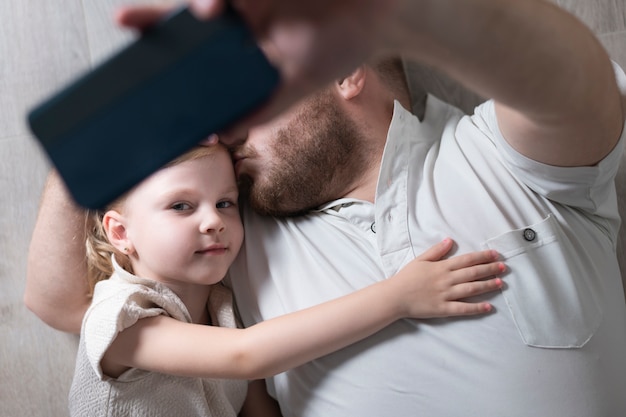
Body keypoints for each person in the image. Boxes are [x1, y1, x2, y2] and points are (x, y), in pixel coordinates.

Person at [25, 0, 626, 416]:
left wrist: (404, 17)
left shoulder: (497, 154)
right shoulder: (226, 229)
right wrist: (99, 135)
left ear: (343, 71)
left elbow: (574, 89)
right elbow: (63, 302)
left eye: (245, 92)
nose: (223, 129)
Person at [65, 143, 504, 417]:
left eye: (224, 203)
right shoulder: (119, 317)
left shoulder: (222, 307)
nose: (212, 221)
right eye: (181, 206)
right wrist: (398, 297)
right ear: (121, 233)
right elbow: (246, 357)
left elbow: (256, 405)